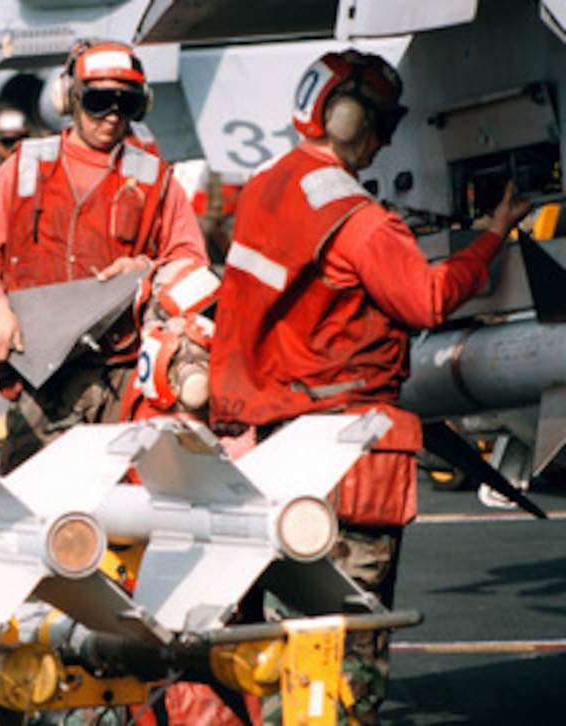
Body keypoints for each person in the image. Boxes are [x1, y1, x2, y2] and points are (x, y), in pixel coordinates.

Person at [207, 49, 532, 724]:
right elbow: (429, 300)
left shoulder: (270, 187)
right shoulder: (360, 218)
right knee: (344, 641)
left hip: (274, 442)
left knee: (285, 633)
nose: (386, 140)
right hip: (345, 450)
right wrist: (492, 235)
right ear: (349, 118)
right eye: (382, 123)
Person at [0, 39, 208, 474]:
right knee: (29, 497)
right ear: (71, 99)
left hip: (117, 374)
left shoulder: (154, 180)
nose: (111, 116)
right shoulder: (24, 167)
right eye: (100, 100)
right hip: (33, 370)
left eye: (126, 104)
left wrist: (149, 269)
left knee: (118, 504)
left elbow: (191, 264)